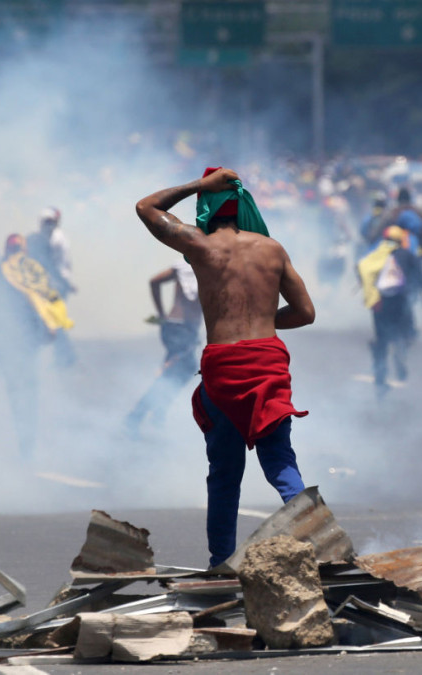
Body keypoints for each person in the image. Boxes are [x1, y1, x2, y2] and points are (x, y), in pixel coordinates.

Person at [135, 166, 315, 568]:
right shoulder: (273, 250)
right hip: (268, 360)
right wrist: (266, 319)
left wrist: (199, 184)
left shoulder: (199, 246)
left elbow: (146, 207)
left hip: (225, 365)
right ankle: (320, 539)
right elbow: (305, 313)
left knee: (224, 472)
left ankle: (220, 562)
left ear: (208, 207)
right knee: (280, 460)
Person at [0, 234, 74, 460]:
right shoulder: (30, 270)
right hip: (24, 341)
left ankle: (21, 440)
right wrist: (50, 327)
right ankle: (26, 443)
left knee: (16, 390)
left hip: (9, 340)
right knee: (27, 391)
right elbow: (46, 299)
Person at [125, 260, 204, 439]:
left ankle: (155, 412)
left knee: (181, 371)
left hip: (178, 327)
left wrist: (162, 315)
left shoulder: (190, 266)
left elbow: (154, 282)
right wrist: (161, 313)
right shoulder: (194, 265)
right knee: (171, 374)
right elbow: (154, 281)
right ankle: (137, 415)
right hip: (180, 327)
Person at [356, 225, 422, 399]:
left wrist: (371, 296)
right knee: (401, 335)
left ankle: (380, 380)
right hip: (401, 303)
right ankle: (400, 355)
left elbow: (362, 270)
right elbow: (421, 279)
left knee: (381, 341)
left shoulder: (376, 255)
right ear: (401, 240)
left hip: (380, 306)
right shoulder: (408, 255)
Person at [27, 207, 78, 367]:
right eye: (47, 222)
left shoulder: (58, 238)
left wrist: (66, 283)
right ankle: (64, 356)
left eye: (52, 222)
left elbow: (58, 265)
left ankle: (64, 356)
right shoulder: (37, 238)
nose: (49, 225)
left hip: (57, 284)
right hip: (49, 284)